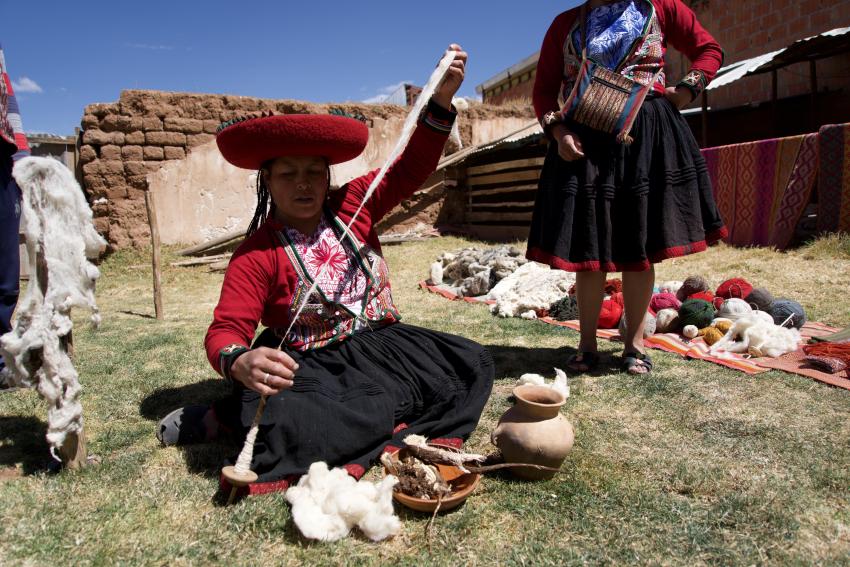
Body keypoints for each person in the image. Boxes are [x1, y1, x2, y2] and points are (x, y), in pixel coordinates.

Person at [158, 46, 495, 496]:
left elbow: (411, 166)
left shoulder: (355, 204)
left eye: (314, 173)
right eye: (288, 174)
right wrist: (241, 361)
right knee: (311, 422)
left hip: (383, 344)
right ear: (267, 182)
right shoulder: (256, 253)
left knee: (470, 363)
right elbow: (225, 330)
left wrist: (441, 99)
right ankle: (224, 417)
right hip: (313, 362)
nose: (303, 184)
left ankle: (381, 423)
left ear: (327, 176)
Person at [527, 0, 726, 375]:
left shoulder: (663, 8)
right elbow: (543, 92)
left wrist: (686, 89)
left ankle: (635, 345)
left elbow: (708, 50)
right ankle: (587, 344)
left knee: (639, 243)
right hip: (584, 142)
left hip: (645, 137)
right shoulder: (565, 24)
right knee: (590, 245)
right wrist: (559, 131)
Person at [0, 43, 30, 380]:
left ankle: (1, 361)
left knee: (5, 276)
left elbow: (6, 100)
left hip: (2, 155)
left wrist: (19, 158)